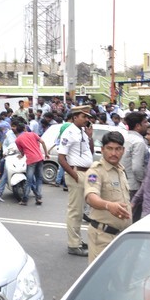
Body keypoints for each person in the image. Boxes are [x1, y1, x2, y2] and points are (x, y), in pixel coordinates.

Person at [84, 131, 132, 263]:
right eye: (109, 149)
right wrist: (108, 205)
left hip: (120, 236)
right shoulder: (96, 171)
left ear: (123, 150)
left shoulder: (120, 170)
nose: (114, 153)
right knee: (101, 280)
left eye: (117, 149)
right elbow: (90, 196)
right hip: (103, 237)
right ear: (102, 149)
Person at [57, 106, 94, 256]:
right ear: (75, 117)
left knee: (81, 211)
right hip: (76, 173)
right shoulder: (69, 132)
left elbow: (89, 152)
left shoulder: (83, 132)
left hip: (85, 173)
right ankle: (73, 244)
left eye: (87, 117)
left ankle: (77, 239)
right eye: (84, 117)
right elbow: (61, 158)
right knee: (75, 211)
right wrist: (75, 175)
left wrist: (90, 136)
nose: (87, 119)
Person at [120, 111, 150, 216]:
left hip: (124, 183)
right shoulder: (138, 142)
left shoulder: (125, 138)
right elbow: (137, 167)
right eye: (145, 122)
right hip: (134, 186)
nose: (148, 125)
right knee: (132, 217)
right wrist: (144, 181)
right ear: (138, 126)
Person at [14, 120, 49, 206]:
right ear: (24, 128)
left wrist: (21, 155)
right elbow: (43, 142)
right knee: (39, 179)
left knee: (29, 180)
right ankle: (38, 197)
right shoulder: (33, 134)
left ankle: (25, 200)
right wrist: (46, 153)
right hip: (40, 158)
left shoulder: (18, 140)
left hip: (31, 160)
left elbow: (22, 152)